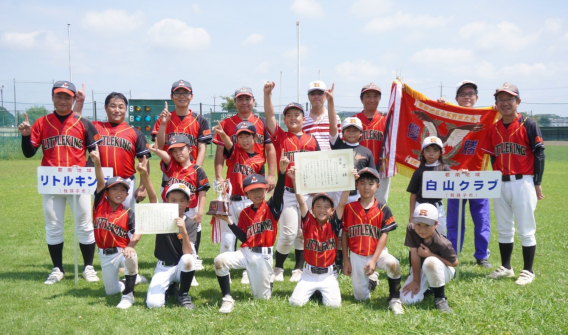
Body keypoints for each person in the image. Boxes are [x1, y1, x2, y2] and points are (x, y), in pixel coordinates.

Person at [19, 80, 101, 284]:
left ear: (74, 99)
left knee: (85, 225)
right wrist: (26, 136)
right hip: (52, 182)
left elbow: (95, 155)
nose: (63, 100)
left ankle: (88, 267)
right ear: (52, 97)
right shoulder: (41, 122)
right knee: (53, 225)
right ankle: (57, 269)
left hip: (78, 180)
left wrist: (89, 178)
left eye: (67, 96)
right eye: (59, 96)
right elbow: (29, 153)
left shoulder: (84, 122)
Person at [481, 83, 545, 285]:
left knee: (526, 228)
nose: (505, 103)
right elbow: (493, 157)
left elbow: (539, 154)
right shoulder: (493, 129)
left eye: (509, 99)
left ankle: (528, 270)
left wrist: (537, 182)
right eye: (501, 99)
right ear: (496, 104)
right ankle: (506, 267)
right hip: (500, 182)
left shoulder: (529, 124)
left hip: (523, 181)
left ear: (518, 101)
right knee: (504, 227)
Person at [212, 155, 287, 314]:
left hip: (263, 256)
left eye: (260, 189)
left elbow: (279, 192)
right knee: (220, 261)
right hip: (246, 252)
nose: (257, 193)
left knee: (262, 299)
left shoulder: (271, 207)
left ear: (265, 189)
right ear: (246, 194)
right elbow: (245, 238)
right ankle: (227, 298)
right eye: (252, 191)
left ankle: (268, 279)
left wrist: (282, 172)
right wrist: (229, 221)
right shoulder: (245, 212)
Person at [263, 81, 321, 282]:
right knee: (288, 232)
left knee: (303, 232)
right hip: (288, 191)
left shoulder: (312, 140)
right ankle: (278, 267)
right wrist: (268, 95)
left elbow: (318, 167)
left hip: (307, 191)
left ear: (303, 118)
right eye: (289, 115)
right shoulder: (280, 136)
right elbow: (270, 116)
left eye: (297, 114)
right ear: (285, 119)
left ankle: (298, 267)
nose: (294, 117)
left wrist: (316, 190)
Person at [213, 86, 277, 253]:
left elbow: (270, 149)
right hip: (232, 189)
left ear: (253, 101)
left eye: (247, 98)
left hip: (253, 187)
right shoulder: (227, 124)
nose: (244, 102)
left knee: (252, 229)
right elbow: (223, 150)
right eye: (240, 99)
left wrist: (271, 175)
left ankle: (248, 263)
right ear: (235, 102)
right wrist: (219, 176)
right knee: (228, 233)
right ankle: (227, 264)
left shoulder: (261, 122)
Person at [153, 80, 212, 255]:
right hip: (170, 174)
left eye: (185, 93)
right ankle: (169, 257)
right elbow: (159, 145)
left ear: (191, 96)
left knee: (192, 217)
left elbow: (202, 147)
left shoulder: (200, 119)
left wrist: (195, 170)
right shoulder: (164, 118)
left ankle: (191, 255)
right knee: (168, 219)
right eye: (177, 93)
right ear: (171, 96)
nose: (181, 96)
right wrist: (163, 123)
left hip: (191, 175)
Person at [439, 80, 492, 268]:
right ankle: (453, 254)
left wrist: (496, 110)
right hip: (455, 176)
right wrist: (439, 105)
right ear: (456, 98)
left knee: (481, 218)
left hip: (478, 177)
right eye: (463, 94)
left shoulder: (487, 116)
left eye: (471, 93)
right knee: (454, 220)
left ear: (477, 97)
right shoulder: (450, 115)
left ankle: (481, 255)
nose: (467, 97)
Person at [339, 167, 403, 315]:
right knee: (361, 297)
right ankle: (372, 281)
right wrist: (346, 260)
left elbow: (384, 235)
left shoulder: (383, 208)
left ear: (377, 186)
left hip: (377, 252)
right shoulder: (349, 208)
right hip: (357, 254)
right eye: (362, 183)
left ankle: (394, 299)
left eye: (370, 183)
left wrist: (374, 260)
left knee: (393, 264)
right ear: (356, 185)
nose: (366, 187)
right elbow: (345, 234)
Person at [147, 135, 209, 286]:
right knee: (172, 238)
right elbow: (166, 156)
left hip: (189, 208)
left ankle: (189, 271)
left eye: (181, 149)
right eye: (174, 151)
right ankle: (171, 266)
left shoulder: (197, 170)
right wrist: (156, 151)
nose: (178, 153)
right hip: (170, 209)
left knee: (191, 241)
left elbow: (202, 193)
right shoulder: (172, 165)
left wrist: (200, 212)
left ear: (190, 149)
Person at [327, 85, 376, 274]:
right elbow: (332, 126)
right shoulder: (338, 144)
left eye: (355, 130)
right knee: (337, 229)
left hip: (357, 197)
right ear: (343, 132)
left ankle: (357, 259)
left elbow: (372, 177)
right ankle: (338, 261)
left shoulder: (366, 152)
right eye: (348, 130)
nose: (351, 133)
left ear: (361, 133)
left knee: (354, 228)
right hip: (338, 194)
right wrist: (331, 102)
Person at [211, 120, 266, 284]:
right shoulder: (235, 152)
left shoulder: (259, 159)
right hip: (231, 199)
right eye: (240, 136)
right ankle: (224, 269)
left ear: (254, 137)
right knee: (228, 237)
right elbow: (228, 144)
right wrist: (222, 134)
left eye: (247, 136)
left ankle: (248, 267)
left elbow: (261, 182)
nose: (244, 140)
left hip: (249, 202)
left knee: (250, 236)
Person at [90, 145, 144, 309]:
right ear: (106, 193)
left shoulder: (128, 213)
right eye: (115, 189)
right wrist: (97, 163)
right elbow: (100, 181)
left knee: (131, 257)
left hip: (121, 252)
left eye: (123, 190)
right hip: (105, 256)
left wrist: (130, 246)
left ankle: (129, 295)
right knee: (111, 292)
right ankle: (134, 278)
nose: (119, 192)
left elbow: (138, 231)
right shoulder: (99, 205)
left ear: (127, 194)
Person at [286, 168, 342, 308]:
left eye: (326, 207)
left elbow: (341, 203)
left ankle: (319, 291)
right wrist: (294, 180)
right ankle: (314, 290)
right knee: (295, 303)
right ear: (312, 209)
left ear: (332, 211)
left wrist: (349, 184)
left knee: (333, 305)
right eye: (318, 206)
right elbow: (301, 202)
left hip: (328, 274)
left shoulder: (334, 223)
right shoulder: (308, 222)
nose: (322, 210)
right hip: (309, 274)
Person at [85, 92, 151, 209]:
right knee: (101, 219)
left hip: (125, 183)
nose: (117, 110)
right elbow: (75, 122)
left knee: (125, 220)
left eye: (121, 107)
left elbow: (144, 161)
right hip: (100, 182)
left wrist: (143, 187)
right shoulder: (95, 127)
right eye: (113, 106)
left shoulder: (135, 132)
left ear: (126, 109)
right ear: (105, 107)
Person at [145, 181, 199, 309]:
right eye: (173, 200)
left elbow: (187, 252)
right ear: (166, 200)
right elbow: (152, 197)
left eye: (182, 200)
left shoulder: (190, 223)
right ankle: (171, 285)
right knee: (154, 305)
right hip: (164, 266)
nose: (177, 204)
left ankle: (183, 294)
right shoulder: (160, 217)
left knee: (189, 259)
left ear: (188, 203)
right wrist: (144, 176)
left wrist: (183, 231)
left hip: (181, 267)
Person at [401, 203, 458, 313]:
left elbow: (454, 263)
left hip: (443, 270)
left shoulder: (442, 242)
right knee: (407, 300)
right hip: (422, 269)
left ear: (436, 224)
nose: (422, 229)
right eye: (418, 224)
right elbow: (414, 254)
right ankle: (428, 289)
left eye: (427, 225)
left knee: (430, 262)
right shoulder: (412, 229)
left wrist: (430, 255)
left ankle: (440, 298)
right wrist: (416, 281)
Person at [407, 136, 451, 236]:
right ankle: (418, 252)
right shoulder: (419, 171)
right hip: (421, 207)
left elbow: (455, 180)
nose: (431, 154)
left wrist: (462, 173)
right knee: (419, 234)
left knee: (441, 234)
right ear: (423, 152)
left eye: (435, 150)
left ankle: (437, 252)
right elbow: (413, 193)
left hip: (437, 207)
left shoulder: (444, 169)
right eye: (428, 150)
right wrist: (411, 213)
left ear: (440, 153)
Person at [355, 83, 390, 204]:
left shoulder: (387, 120)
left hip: (381, 169)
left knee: (380, 203)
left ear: (380, 99)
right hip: (358, 170)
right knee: (357, 203)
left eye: (375, 96)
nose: (372, 99)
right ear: (361, 99)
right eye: (368, 96)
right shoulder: (354, 120)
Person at [302, 80, 342, 152]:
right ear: (308, 96)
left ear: (325, 95)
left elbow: (339, 141)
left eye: (320, 93)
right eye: (313, 93)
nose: (316, 96)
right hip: (309, 161)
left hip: (329, 161)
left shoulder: (335, 118)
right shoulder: (302, 119)